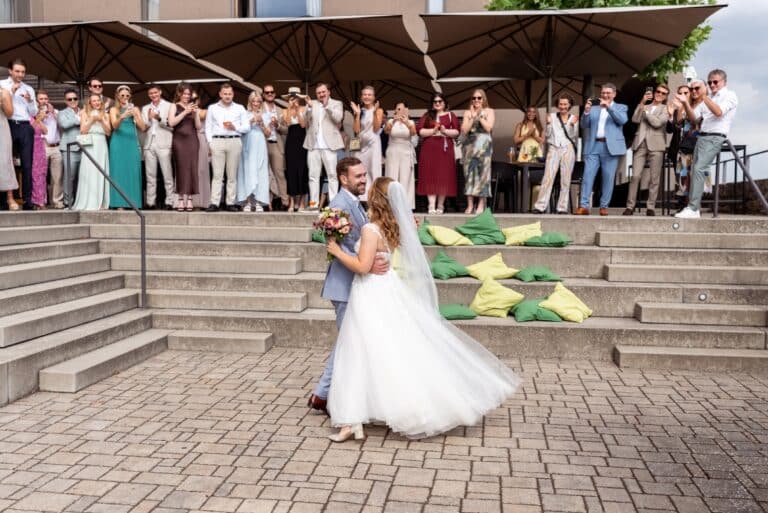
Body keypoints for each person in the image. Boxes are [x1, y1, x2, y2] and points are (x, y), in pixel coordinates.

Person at [324, 176, 520, 441]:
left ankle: (359, 417)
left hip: (371, 292)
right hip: (386, 288)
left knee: (364, 350)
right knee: (372, 351)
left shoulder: (372, 229)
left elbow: (361, 266)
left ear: (376, 199)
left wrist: (336, 250)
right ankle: (353, 419)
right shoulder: (392, 227)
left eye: (371, 192)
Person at [307, 157, 388, 416]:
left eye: (365, 175)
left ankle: (322, 394)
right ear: (344, 179)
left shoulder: (356, 204)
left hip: (357, 283)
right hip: (344, 285)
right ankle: (325, 395)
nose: (364, 180)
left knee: (348, 342)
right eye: (359, 176)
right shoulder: (339, 205)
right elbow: (336, 246)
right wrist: (367, 264)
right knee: (348, 344)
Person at [675, 69, 738, 219]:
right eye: (710, 82)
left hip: (715, 136)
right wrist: (685, 103)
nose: (712, 84)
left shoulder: (729, 95)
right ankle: (693, 208)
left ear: (724, 82)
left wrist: (704, 97)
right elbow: (694, 119)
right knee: (694, 171)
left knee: (699, 168)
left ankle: (693, 207)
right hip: (702, 137)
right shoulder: (708, 98)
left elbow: (718, 112)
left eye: (715, 82)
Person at [576, 83, 628, 216]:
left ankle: (604, 206)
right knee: (588, 176)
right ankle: (584, 206)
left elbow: (622, 120)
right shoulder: (593, 108)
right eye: (603, 93)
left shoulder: (621, 107)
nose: (605, 95)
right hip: (593, 146)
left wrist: (609, 107)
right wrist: (586, 111)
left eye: (608, 93)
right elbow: (583, 124)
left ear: (614, 94)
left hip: (610, 148)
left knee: (608, 178)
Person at [623, 84, 670, 216]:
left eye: (663, 93)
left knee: (654, 178)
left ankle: (651, 207)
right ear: (654, 92)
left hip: (656, 145)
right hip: (640, 143)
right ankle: (630, 206)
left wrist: (647, 112)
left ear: (666, 96)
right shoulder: (644, 105)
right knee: (635, 176)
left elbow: (657, 123)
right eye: (658, 91)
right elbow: (634, 119)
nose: (659, 94)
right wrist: (642, 102)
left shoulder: (666, 109)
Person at [204, 82, 249, 212]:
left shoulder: (240, 108)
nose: (227, 96)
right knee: (217, 175)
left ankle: (230, 202)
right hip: (217, 141)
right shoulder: (212, 108)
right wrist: (210, 142)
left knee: (232, 175)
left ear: (233, 94)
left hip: (234, 140)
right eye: (225, 94)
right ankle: (214, 203)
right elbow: (208, 126)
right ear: (220, 94)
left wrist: (235, 127)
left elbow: (246, 127)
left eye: (229, 94)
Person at [1, 58, 37, 210]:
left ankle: (28, 200)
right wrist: (11, 92)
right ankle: (5, 200)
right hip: (6, 125)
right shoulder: (2, 85)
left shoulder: (29, 88)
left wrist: (29, 101)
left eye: (23, 72)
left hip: (24, 126)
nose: (20, 74)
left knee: (27, 164)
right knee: (4, 162)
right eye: (17, 71)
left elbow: (34, 112)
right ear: (10, 71)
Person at [533, 95, 578, 214]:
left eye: (565, 104)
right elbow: (547, 135)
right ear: (557, 105)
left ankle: (562, 208)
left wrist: (572, 125)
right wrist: (547, 124)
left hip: (568, 148)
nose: (563, 106)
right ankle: (540, 206)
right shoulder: (551, 116)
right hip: (553, 148)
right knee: (548, 177)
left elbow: (573, 135)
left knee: (565, 179)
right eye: (561, 104)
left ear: (569, 105)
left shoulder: (574, 118)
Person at [417, 93, 460, 214]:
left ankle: (441, 205)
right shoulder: (427, 115)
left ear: (444, 103)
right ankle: (431, 205)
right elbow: (419, 131)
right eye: (435, 101)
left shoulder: (451, 115)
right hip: (429, 148)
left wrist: (445, 131)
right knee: (430, 176)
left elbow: (457, 131)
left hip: (445, 148)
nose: (437, 103)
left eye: (440, 101)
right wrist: (433, 130)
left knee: (444, 176)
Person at [304, 82, 344, 210]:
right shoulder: (313, 104)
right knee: (313, 176)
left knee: (332, 175)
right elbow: (306, 122)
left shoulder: (337, 103)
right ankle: (313, 204)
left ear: (328, 92)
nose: (321, 94)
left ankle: (333, 204)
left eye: (323, 92)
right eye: (319, 93)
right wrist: (309, 108)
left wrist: (327, 106)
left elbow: (338, 119)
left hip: (329, 145)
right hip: (313, 144)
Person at [72, 94, 111, 211]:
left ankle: (101, 201)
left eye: (98, 100)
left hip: (101, 143)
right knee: (88, 170)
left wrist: (101, 120)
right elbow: (83, 131)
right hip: (89, 143)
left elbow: (108, 132)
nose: (96, 102)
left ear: (101, 102)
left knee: (101, 170)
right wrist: (92, 120)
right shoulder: (85, 114)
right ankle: (88, 200)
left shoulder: (106, 114)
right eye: (93, 101)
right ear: (90, 103)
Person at [108, 85, 145, 209]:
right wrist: (123, 116)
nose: (125, 97)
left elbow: (143, 127)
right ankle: (119, 203)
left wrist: (135, 114)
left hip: (131, 141)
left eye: (127, 96)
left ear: (130, 97)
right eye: (122, 95)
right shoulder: (114, 109)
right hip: (118, 141)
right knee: (118, 171)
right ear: (118, 96)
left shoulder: (135, 109)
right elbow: (115, 126)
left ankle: (133, 202)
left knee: (133, 170)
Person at [460, 89, 495, 214]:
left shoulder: (490, 111)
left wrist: (480, 116)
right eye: (474, 98)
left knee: (483, 175)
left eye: (479, 98)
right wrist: (472, 117)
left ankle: (481, 204)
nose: (476, 100)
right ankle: (470, 205)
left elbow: (488, 127)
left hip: (484, 146)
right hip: (469, 147)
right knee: (469, 175)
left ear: (483, 99)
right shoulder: (467, 112)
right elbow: (464, 130)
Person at [141, 84, 175, 209]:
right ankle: (150, 202)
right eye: (151, 93)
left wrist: (159, 118)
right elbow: (143, 128)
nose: (153, 95)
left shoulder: (170, 106)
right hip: (149, 143)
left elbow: (172, 125)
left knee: (167, 174)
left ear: (160, 92)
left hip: (164, 143)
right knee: (150, 175)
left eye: (155, 92)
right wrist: (149, 120)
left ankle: (169, 201)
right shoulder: (145, 108)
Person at [236, 90, 271, 212]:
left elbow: (268, 134)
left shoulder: (266, 114)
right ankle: (248, 201)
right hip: (247, 144)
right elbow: (240, 130)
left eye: (258, 101)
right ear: (250, 102)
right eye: (253, 101)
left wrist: (261, 123)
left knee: (260, 171)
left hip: (260, 144)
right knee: (248, 170)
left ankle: (258, 201)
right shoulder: (244, 113)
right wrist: (251, 121)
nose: (256, 103)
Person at [666, 83, 699, 209]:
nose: (683, 95)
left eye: (686, 92)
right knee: (681, 176)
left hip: (691, 148)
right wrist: (670, 116)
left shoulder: (695, 108)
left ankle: (692, 205)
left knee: (691, 176)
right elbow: (669, 130)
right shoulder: (675, 110)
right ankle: (683, 204)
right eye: (680, 93)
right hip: (677, 149)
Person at [168, 82, 200, 212]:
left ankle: (190, 199)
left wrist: (196, 113)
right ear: (179, 93)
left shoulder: (193, 107)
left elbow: (198, 127)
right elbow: (171, 122)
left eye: (188, 94)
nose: (186, 96)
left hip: (192, 140)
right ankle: (181, 199)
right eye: (184, 93)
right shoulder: (174, 106)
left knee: (192, 168)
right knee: (181, 169)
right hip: (179, 141)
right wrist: (185, 112)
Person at [350, 85, 384, 201]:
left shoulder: (378, 110)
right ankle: (362, 197)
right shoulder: (360, 110)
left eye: (369, 95)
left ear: (374, 97)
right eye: (365, 94)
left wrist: (374, 113)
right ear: (361, 97)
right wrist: (357, 114)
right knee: (361, 171)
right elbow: (356, 130)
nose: (367, 97)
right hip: (360, 144)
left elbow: (376, 128)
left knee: (374, 170)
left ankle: (375, 198)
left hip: (373, 143)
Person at [384, 101, 417, 210]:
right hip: (393, 150)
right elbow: (386, 131)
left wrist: (406, 122)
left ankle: (405, 205)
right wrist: (393, 121)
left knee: (405, 177)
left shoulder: (411, 122)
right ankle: (391, 204)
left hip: (406, 151)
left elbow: (413, 133)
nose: (400, 111)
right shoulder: (390, 121)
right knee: (392, 177)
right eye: (398, 109)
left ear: (406, 110)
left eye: (402, 109)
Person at [262, 84, 289, 210]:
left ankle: (285, 202)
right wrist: (264, 129)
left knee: (279, 174)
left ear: (274, 93)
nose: (269, 94)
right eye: (267, 92)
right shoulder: (258, 107)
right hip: (262, 144)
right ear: (263, 94)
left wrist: (278, 125)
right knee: (263, 174)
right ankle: (266, 203)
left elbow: (286, 130)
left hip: (276, 144)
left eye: (271, 92)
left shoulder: (280, 110)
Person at [282, 87, 308, 212]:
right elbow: (287, 124)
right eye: (291, 97)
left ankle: (302, 202)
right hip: (291, 141)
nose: (293, 99)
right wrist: (289, 107)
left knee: (302, 171)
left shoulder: (304, 109)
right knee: (291, 172)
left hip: (302, 141)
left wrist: (297, 109)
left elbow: (303, 125)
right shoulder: (284, 110)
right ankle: (292, 202)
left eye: (295, 97)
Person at [58, 89, 82, 208]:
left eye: (75, 98)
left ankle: (79, 201)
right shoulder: (62, 113)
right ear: (65, 101)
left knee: (82, 176)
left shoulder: (83, 111)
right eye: (69, 99)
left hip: (84, 148)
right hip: (69, 148)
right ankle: (68, 202)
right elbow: (64, 125)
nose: (73, 101)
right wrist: (78, 119)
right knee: (69, 176)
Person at [30, 90, 52, 209]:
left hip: (39, 144)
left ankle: (41, 200)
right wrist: (38, 118)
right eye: (40, 99)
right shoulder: (29, 114)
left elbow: (45, 131)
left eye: (45, 99)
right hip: (30, 144)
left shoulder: (44, 114)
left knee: (41, 173)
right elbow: (30, 128)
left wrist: (41, 118)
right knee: (33, 173)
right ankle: (33, 200)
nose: (43, 101)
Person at [0, 87, 19, 210]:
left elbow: (10, 113)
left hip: (1, 126)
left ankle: (10, 197)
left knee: (4, 159)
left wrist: (2, 102)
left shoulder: (3, 91)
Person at [191, 93, 210, 209]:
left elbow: (203, 116)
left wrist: (194, 111)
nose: (192, 100)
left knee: (201, 171)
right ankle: (188, 200)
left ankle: (202, 201)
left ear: (199, 100)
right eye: (190, 98)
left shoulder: (204, 111)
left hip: (201, 139)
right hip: (187, 139)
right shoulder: (183, 110)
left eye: (195, 99)